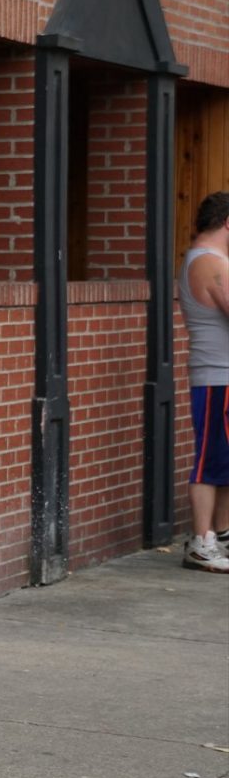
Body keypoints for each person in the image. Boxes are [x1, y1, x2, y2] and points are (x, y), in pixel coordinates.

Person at [178, 191, 229, 572]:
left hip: (222, 376)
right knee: (209, 460)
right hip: (216, 377)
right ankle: (201, 542)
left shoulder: (215, 260)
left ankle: (222, 534)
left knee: (224, 461)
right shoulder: (210, 263)